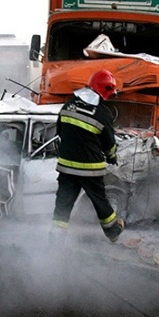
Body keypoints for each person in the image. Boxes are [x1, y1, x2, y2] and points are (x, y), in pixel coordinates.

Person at [50, 70, 125, 244]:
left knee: (63, 205)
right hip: (90, 170)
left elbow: (60, 131)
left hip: (66, 167)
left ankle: (55, 241)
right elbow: (109, 143)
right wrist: (112, 156)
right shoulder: (102, 112)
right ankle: (113, 231)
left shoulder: (69, 105)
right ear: (106, 89)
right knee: (100, 202)